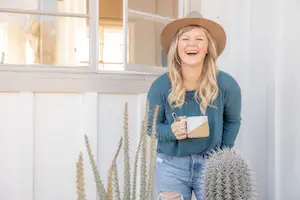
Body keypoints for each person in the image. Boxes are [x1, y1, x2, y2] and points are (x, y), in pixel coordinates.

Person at [147, 11, 242, 200]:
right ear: (176, 47)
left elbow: (232, 121)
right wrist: (171, 131)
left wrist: (221, 155)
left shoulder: (226, 85)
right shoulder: (161, 86)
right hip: (171, 165)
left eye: (199, 39)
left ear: (208, 48)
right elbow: (151, 127)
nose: (192, 44)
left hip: (211, 164)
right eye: (185, 39)